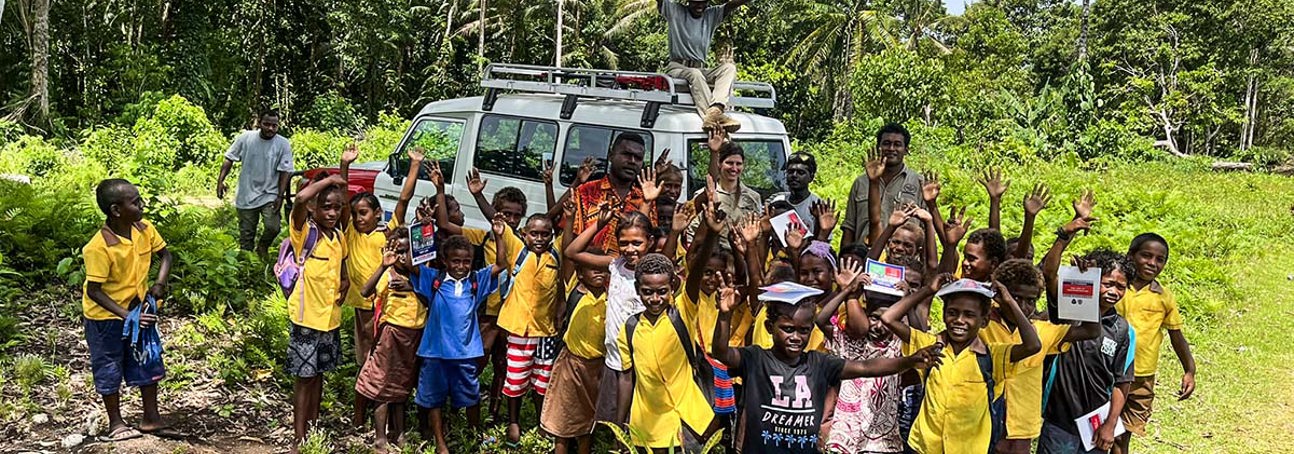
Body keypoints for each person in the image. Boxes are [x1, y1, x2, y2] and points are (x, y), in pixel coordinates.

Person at [712, 270, 942, 454]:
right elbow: (721, 352)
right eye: (787, 329)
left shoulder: (818, 363)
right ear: (770, 328)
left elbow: (866, 367)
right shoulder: (756, 358)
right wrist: (724, 315)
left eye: (803, 331)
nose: (796, 337)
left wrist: (910, 360)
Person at [881, 275, 1042, 454]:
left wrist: (1009, 301)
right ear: (943, 315)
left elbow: (1033, 345)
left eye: (969, 315)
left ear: (984, 320)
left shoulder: (993, 356)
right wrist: (928, 290)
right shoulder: (930, 345)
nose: (959, 320)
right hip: (924, 446)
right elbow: (888, 318)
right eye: (952, 312)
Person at [81, 178, 174, 442]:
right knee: (109, 365)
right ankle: (116, 423)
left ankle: (150, 418)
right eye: (135, 202)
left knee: (147, 358)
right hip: (106, 318)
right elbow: (94, 291)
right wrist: (127, 317)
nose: (142, 205)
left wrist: (158, 284)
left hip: (138, 308)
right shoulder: (99, 247)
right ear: (116, 210)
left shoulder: (145, 229)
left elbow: (165, 255)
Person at [982, 259, 1100, 453]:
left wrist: (1086, 283)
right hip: (983, 422)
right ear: (1000, 296)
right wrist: (1010, 305)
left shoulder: (1043, 331)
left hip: (1022, 427)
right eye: (1016, 297)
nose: (1024, 306)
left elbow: (1091, 330)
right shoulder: (982, 326)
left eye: (1031, 301)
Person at [342, 144, 420, 428]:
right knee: (367, 362)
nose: (358, 218)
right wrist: (345, 165)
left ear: (377, 213)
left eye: (364, 213)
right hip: (364, 307)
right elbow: (341, 200)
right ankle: (360, 416)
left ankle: (385, 416)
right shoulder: (350, 233)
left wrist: (414, 166)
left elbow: (403, 199)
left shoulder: (387, 234)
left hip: (387, 309)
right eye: (355, 214)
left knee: (384, 362)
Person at [411, 229, 505, 454]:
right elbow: (411, 264)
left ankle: (474, 434)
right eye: (455, 261)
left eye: (466, 261)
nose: (461, 266)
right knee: (434, 398)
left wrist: (500, 236)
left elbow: (501, 264)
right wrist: (422, 229)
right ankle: (440, 443)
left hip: (465, 353)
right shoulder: (434, 279)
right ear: (444, 261)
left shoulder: (476, 280)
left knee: (470, 395)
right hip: (435, 352)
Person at [1039, 249, 1135, 454]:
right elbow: (1049, 274)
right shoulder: (1068, 312)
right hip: (1058, 421)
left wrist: (1110, 425)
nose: (1113, 292)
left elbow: (1122, 382)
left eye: (1121, 287)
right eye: (1107, 284)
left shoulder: (1123, 331)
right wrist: (1081, 279)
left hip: (1095, 428)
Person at [615, 253, 715, 452]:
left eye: (662, 292)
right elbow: (626, 379)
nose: (655, 299)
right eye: (647, 292)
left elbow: (695, 274)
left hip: (687, 423)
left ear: (672, 288)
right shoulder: (630, 327)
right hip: (647, 426)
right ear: (637, 290)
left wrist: (711, 234)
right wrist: (619, 428)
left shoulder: (683, 315)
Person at [285, 170, 350, 453]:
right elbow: (299, 198)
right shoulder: (305, 232)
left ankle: (312, 428)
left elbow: (343, 264)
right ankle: (299, 438)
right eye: (326, 206)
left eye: (337, 207)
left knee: (319, 374)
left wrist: (345, 280)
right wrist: (329, 181)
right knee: (305, 377)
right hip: (306, 318)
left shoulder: (337, 236)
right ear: (314, 208)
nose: (333, 212)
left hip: (329, 319)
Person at [1114, 233, 1196, 453]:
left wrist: (1189, 370)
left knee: (1123, 434)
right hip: (1108, 372)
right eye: (1146, 255)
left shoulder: (1164, 297)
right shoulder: (1115, 286)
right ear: (1131, 256)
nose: (1152, 263)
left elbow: (1176, 336)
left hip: (1141, 377)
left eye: (1160, 259)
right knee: (1104, 430)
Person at [354, 228, 425, 454]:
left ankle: (400, 432)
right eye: (399, 252)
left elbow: (431, 299)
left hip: (414, 338)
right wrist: (384, 265)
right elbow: (366, 291)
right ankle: (380, 437)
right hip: (391, 335)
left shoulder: (422, 276)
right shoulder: (389, 275)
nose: (404, 257)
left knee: (402, 385)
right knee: (381, 385)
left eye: (408, 252)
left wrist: (413, 286)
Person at [496, 212, 563, 446]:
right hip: (520, 329)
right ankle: (513, 421)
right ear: (524, 235)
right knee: (515, 377)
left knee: (543, 380)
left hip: (546, 331)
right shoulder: (518, 251)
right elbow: (500, 225)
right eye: (534, 233)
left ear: (552, 237)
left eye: (545, 234)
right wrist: (479, 195)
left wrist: (573, 213)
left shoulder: (555, 255)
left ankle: (542, 421)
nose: (539, 238)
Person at [539, 257, 611, 454]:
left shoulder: (611, 298)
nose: (599, 273)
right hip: (572, 364)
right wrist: (598, 225)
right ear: (579, 274)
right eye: (592, 269)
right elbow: (571, 251)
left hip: (598, 368)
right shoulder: (575, 290)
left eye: (603, 269)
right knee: (562, 419)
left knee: (588, 422)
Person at [658, 0, 752, 132]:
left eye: (703, 2)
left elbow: (731, 5)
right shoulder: (675, 10)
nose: (700, 6)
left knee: (728, 68)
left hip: (700, 69)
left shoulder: (711, 15)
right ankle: (714, 119)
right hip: (677, 67)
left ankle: (715, 110)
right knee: (694, 74)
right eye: (696, 2)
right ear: (688, 2)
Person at [216, 110, 294, 256]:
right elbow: (229, 158)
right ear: (259, 123)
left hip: (270, 194)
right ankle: (247, 268)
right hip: (246, 194)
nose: (270, 128)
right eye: (267, 124)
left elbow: (285, 171)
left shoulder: (283, 144)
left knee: (273, 227)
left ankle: (262, 247)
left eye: (274, 125)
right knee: (246, 236)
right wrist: (220, 181)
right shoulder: (246, 138)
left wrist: (280, 196)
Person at [842, 123, 924, 248]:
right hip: (864, 256)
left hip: (902, 260)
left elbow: (926, 230)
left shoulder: (918, 183)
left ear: (906, 149)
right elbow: (849, 228)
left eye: (897, 144)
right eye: (886, 143)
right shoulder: (861, 183)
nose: (891, 148)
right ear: (878, 147)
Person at [570, 133, 651, 254]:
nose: (632, 161)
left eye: (638, 158)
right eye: (626, 155)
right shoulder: (586, 192)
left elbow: (647, 245)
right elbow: (571, 240)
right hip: (588, 269)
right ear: (611, 155)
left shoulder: (645, 199)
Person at [767, 152, 825, 236]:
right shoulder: (778, 201)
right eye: (790, 172)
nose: (794, 175)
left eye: (801, 172)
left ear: (811, 177)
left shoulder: (817, 205)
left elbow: (824, 242)